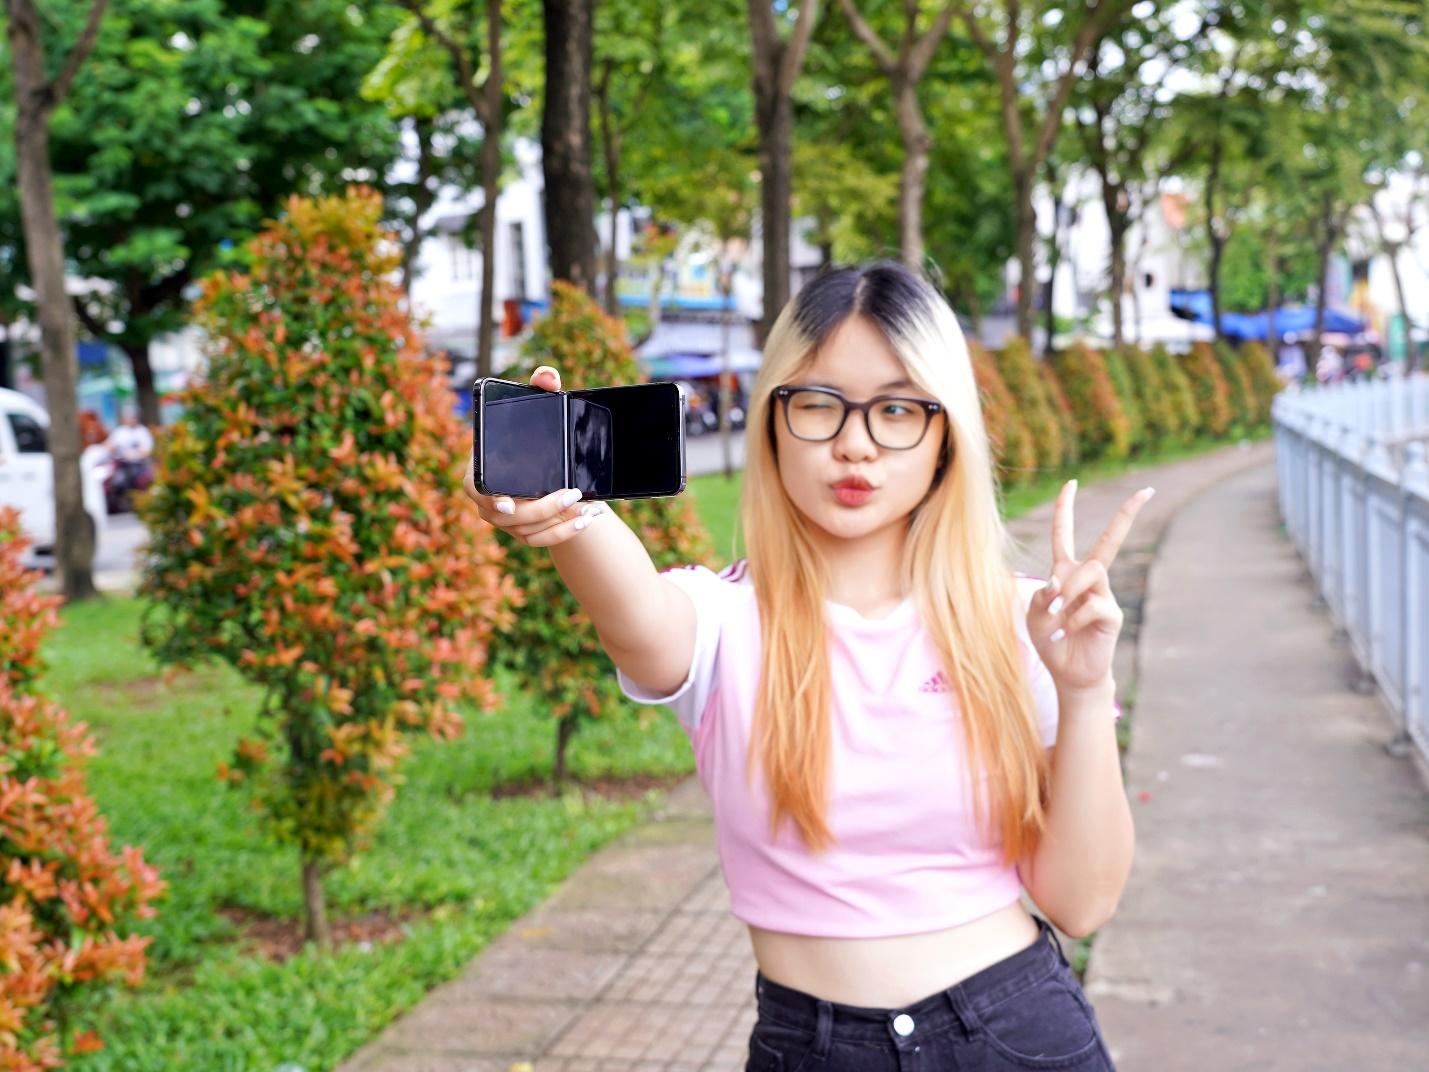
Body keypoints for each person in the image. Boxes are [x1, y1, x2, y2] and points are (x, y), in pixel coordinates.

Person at [465, 261, 1150, 1071]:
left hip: (1014, 1033)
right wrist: (563, 508)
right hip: (811, 1048)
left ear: (943, 435)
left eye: (897, 409)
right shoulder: (720, 623)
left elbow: (1081, 901)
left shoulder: (1021, 623)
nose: (854, 442)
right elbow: (633, 611)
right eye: (818, 404)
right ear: (769, 424)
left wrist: (1082, 690)